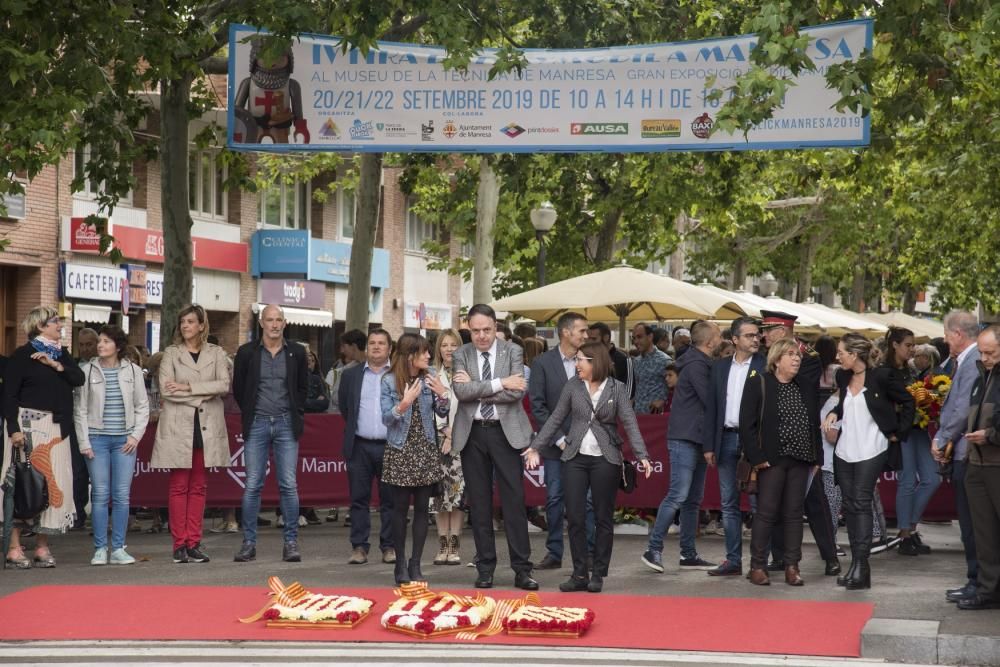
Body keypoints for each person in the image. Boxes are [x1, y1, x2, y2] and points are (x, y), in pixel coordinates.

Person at [525, 341, 652, 593]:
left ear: (596, 362)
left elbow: (630, 423)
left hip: (606, 459)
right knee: (574, 517)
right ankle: (579, 573)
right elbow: (556, 418)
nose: (576, 364)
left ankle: (598, 573)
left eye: (580, 360)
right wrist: (536, 446)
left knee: (603, 517)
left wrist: (642, 455)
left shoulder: (617, 389)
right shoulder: (572, 386)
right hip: (575, 457)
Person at [451, 303, 537, 590]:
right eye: (475, 331)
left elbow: (516, 392)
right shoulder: (461, 353)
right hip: (472, 433)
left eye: (486, 330)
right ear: (469, 330)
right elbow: (461, 393)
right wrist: (499, 382)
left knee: (514, 501)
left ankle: (522, 569)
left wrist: (479, 389)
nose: (481, 336)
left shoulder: (512, 350)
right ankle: (485, 567)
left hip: (506, 433)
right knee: (479, 503)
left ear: (495, 327)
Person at [822, 333, 914, 590]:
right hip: (845, 448)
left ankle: (862, 566)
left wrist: (898, 433)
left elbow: (909, 401)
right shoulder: (842, 376)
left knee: (861, 502)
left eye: (841, 352)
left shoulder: (882, 377)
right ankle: (856, 565)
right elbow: (844, 404)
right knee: (850, 506)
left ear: (855, 354)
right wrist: (832, 412)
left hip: (872, 447)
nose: (838, 357)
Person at [2, 307, 85, 568]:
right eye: (55, 321)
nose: (60, 325)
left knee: (53, 487)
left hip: (57, 429)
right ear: (40, 326)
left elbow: (78, 378)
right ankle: (14, 547)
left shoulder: (61, 354)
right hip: (28, 426)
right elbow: (9, 396)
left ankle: (41, 545)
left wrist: (56, 365)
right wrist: (14, 428)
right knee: (25, 485)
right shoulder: (22, 356)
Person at [151, 304, 230, 564]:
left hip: (205, 427)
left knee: (198, 486)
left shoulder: (216, 353)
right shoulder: (171, 354)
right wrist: (202, 395)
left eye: (190, 322)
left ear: (201, 325)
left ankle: (194, 542)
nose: (185, 326)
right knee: (178, 486)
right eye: (182, 322)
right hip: (178, 427)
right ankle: (179, 545)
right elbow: (166, 391)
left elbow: (224, 385)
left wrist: (187, 386)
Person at [641, 320, 722, 574]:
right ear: (709, 341)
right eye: (718, 335)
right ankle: (653, 548)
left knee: (690, 499)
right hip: (687, 437)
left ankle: (687, 553)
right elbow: (710, 399)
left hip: (693, 436)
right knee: (679, 494)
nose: (721, 339)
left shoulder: (696, 362)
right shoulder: (698, 365)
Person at [741, 338, 822, 586]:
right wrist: (757, 458)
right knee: (766, 513)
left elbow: (813, 422)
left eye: (797, 355)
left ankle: (792, 566)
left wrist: (817, 456)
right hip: (771, 460)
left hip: (800, 459)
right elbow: (746, 424)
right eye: (790, 354)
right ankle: (757, 566)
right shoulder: (760, 383)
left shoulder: (805, 385)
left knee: (794, 514)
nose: (797, 358)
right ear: (777, 360)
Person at [232, 304, 308, 563]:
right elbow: (240, 389)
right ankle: (248, 543)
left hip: (287, 423)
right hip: (257, 423)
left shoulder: (297, 352)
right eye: (270, 320)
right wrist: (252, 413)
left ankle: (291, 542)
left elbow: (302, 389)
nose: (274, 324)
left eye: (279, 320)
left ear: (284, 323)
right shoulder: (246, 353)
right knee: (253, 484)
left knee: (288, 484)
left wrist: (295, 413)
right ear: (261, 323)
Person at [73, 325, 149, 565]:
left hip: (124, 441)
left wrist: (135, 436)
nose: (100, 345)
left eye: (106, 341)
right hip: (97, 440)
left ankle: (118, 548)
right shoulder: (86, 371)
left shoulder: (134, 371)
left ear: (117, 345)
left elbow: (142, 407)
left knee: (122, 495)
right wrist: (84, 442)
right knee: (100, 494)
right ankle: (99, 548)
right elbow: (80, 410)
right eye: (100, 341)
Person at [380, 334, 450, 584]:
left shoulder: (430, 375)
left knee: (423, 510)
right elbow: (386, 419)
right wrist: (403, 404)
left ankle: (416, 563)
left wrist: (443, 395)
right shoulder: (389, 380)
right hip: (400, 450)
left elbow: (442, 412)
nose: (429, 356)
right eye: (423, 352)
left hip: (426, 448)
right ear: (410, 355)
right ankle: (400, 563)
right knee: (399, 511)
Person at [703, 317, 766, 577]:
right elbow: (711, 408)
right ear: (735, 339)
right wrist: (709, 445)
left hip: (755, 440)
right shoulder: (719, 367)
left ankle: (761, 561)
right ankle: (733, 560)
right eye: (749, 335)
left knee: (759, 501)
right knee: (728, 503)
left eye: (757, 335)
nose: (756, 339)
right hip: (726, 437)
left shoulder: (765, 365)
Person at [529, 312, 589, 572]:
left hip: (587, 443)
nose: (586, 335)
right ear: (566, 332)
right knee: (555, 498)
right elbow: (538, 407)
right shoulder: (542, 363)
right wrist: (559, 438)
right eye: (582, 331)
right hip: (556, 446)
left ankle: (588, 552)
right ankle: (554, 551)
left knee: (586, 501)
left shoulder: (589, 360)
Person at [933, 310, 982, 603]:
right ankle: (975, 580)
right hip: (964, 452)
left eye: (946, 333)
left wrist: (943, 437)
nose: (944, 338)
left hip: (967, 453)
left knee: (973, 526)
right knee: (969, 525)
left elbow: (963, 407)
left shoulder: (973, 362)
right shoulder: (966, 361)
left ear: (958, 335)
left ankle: (978, 582)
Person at [883, 327, 942, 556]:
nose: (912, 349)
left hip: (917, 430)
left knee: (932, 478)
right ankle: (906, 533)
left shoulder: (909, 371)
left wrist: (928, 403)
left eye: (913, 345)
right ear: (895, 345)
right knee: (907, 481)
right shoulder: (887, 371)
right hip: (901, 432)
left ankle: (908, 527)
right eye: (908, 345)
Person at [339, 329, 396, 565]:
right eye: (372, 343)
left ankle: (389, 547)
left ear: (389, 348)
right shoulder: (351, 375)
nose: (376, 347)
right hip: (360, 445)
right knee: (358, 499)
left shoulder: (398, 374)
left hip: (391, 445)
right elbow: (345, 408)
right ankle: (359, 547)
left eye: (381, 343)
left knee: (390, 500)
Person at [959, 325, 1000, 610]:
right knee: (984, 532)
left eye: (991, 352)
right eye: (982, 352)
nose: (984, 357)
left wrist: (991, 436)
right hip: (977, 461)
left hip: (995, 460)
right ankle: (988, 590)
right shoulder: (982, 376)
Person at [429, 329, 465, 566]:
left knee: (457, 495)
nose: (449, 349)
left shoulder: (466, 374)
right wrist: (444, 432)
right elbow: (431, 407)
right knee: (440, 496)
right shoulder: (432, 375)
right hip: (437, 442)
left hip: (462, 441)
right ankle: (442, 544)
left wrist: (454, 433)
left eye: (453, 345)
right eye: (445, 345)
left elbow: (467, 405)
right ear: (438, 349)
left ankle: (455, 544)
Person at [70, 327, 98, 530]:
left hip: (97, 425)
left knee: (99, 474)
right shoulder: (72, 366)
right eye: (82, 344)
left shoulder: (102, 366)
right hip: (75, 425)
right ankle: (77, 513)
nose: (85, 348)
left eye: (89, 344)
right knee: (78, 472)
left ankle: (98, 515)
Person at [587, 322, 635, 400]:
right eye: (589, 339)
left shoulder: (624, 359)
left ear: (606, 338)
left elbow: (629, 391)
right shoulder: (588, 359)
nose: (590, 342)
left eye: (594, 339)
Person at [631, 323, 671, 414]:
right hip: (638, 416)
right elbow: (640, 387)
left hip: (656, 419)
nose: (636, 341)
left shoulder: (664, 360)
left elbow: (676, 388)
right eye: (634, 338)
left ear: (650, 337)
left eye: (639, 337)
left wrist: (663, 400)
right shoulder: (636, 361)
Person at [327, 329, 367, 414]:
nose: (342, 351)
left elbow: (337, 398)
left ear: (353, 346)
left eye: (344, 346)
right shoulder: (347, 369)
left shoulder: (348, 371)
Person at [303, 348, 329, 413]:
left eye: (312, 360)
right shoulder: (295, 377)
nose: (309, 362)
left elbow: (325, 402)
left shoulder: (317, 379)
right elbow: (298, 403)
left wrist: (309, 402)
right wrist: (316, 401)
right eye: (307, 360)